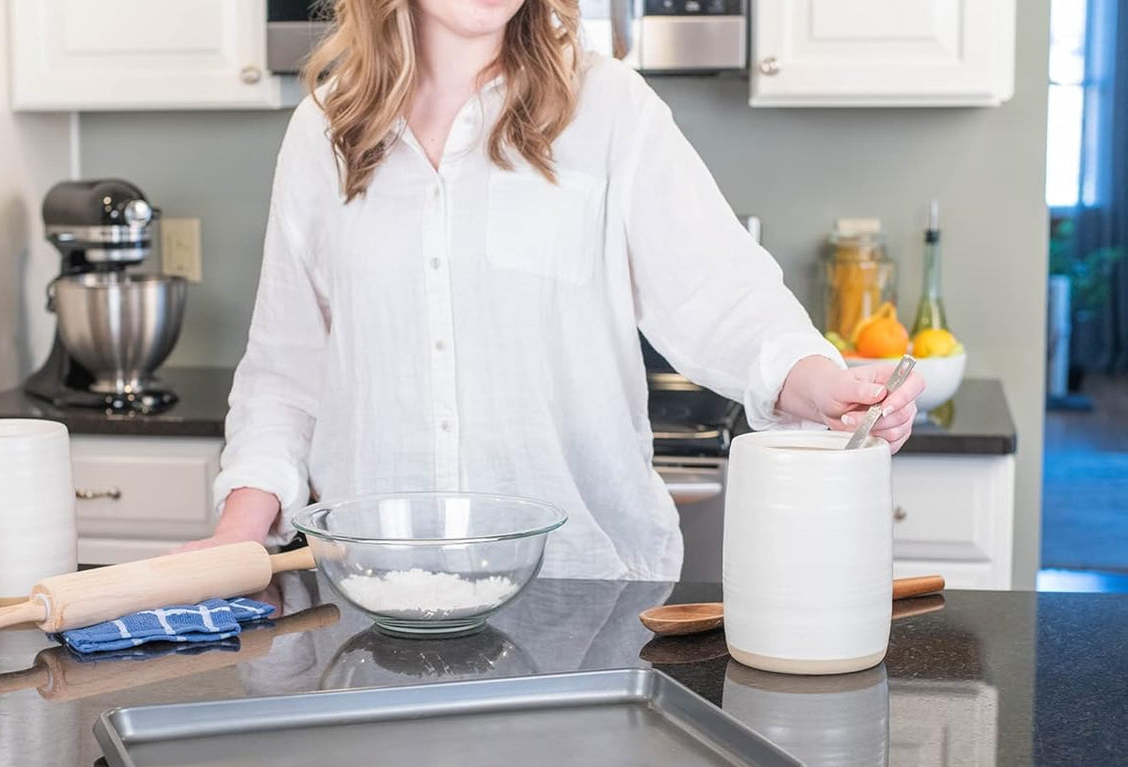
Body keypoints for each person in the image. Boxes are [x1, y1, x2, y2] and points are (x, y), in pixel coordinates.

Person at [194, 0, 926, 580]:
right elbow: (286, 374)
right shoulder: (323, 132)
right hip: (376, 593)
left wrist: (823, 385)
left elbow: (722, 294)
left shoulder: (607, 107)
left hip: (583, 591)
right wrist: (235, 538)